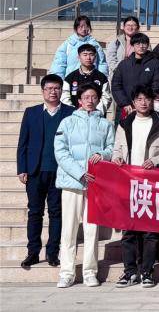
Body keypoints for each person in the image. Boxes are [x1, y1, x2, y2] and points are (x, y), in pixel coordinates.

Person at [111, 86, 159, 288]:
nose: (143, 102)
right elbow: (116, 149)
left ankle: (147, 271)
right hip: (129, 183)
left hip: (151, 183)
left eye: (147, 99)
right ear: (133, 102)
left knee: (150, 231)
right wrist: (117, 158)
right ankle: (130, 271)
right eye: (139, 99)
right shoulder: (124, 124)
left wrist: (155, 161)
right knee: (128, 231)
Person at [53, 83, 114, 289]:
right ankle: (67, 272)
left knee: (91, 229)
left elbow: (112, 147)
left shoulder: (105, 124)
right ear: (79, 100)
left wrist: (103, 155)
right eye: (86, 97)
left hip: (95, 183)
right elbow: (61, 151)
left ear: (98, 99)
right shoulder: (67, 122)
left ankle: (89, 272)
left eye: (93, 97)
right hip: (72, 182)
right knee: (69, 229)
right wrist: (79, 173)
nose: (90, 100)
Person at [17, 74, 75, 269]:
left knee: (56, 213)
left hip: (60, 172)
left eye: (56, 88)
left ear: (61, 90)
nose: (53, 92)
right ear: (43, 91)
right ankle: (33, 253)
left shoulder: (70, 113)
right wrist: (22, 168)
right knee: (35, 212)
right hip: (35, 171)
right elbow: (23, 142)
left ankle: (52, 253)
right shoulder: (31, 112)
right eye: (49, 88)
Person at [111, 33, 159, 123]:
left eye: (144, 43)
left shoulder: (155, 63)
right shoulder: (124, 64)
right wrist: (125, 103)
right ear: (132, 45)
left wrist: (146, 102)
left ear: (148, 45)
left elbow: (156, 85)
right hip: (126, 108)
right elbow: (116, 86)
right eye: (138, 44)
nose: (141, 46)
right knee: (124, 129)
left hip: (146, 107)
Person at [60, 43, 112, 116]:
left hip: (97, 117)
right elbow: (65, 98)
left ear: (95, 57)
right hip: (75, 117)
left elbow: (106, 98)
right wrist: (75, 113)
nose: (88, 58)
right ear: (79, 57)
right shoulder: (70, 77)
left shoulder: (102, 77)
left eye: (91, 54)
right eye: (85, 55)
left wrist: (96, 112)